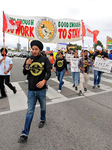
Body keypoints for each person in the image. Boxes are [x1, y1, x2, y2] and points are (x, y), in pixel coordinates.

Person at [18, 40, 51, 143]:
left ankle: (42, 118)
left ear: (40, 49)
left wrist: (44, 80)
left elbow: (49, 73)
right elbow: (24, 72)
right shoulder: (29, 59)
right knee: (30, 111)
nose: (34, 51)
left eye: (36, 49)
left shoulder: (45, 59)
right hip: (31, 89)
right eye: (32, 49)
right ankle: (24, 133)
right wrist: (27, 65)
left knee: (43, 106)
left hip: (41, 90)